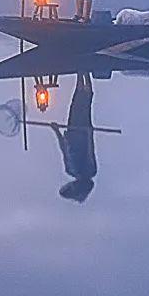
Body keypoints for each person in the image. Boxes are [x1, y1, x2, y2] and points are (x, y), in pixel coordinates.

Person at [51, 72, 97, 203]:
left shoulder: (71, 170)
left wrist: (57, 132)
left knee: (76, 104)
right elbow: (90, 151)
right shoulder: (88, 171)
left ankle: (80, 74)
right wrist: (89, 134)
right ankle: (84, 73)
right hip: (81, 134)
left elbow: (64, 149)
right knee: (84, 104)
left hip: (74, 133)